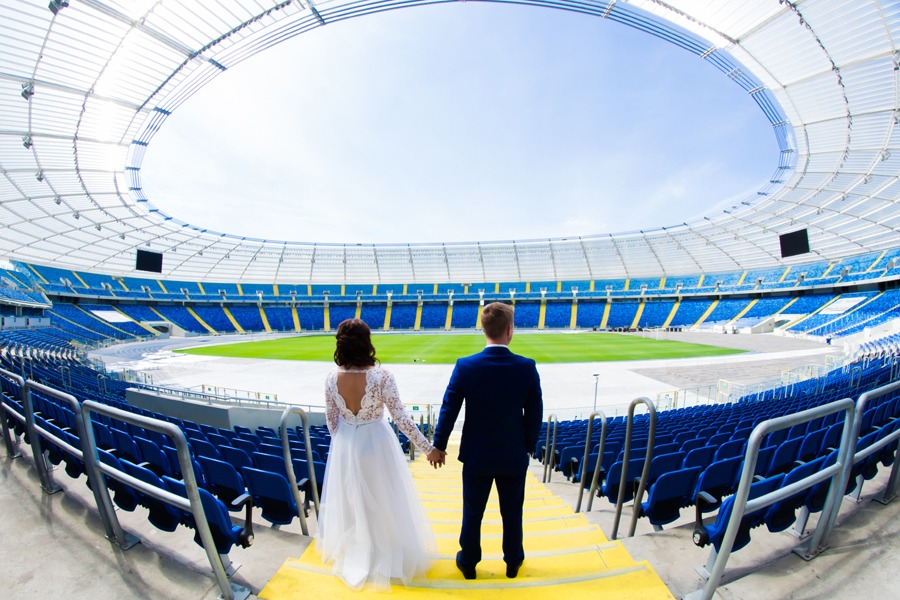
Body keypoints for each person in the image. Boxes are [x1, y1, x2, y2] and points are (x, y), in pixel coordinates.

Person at [315, 318, 445, 591]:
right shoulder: (381, 376)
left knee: (355, 500)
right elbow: (401, 418)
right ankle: (381, 550)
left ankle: (361, 548)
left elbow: (331, 421)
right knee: (385, 498)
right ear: (367, 342)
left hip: (346, 443)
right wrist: (429, 449)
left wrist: (345, 445)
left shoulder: (330, 378)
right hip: (375, 443)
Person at [430, 302, 543, 580]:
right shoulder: (526, 367)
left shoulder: (466, 366)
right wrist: (528, 447)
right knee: (512, 513)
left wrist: (439, 445)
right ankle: (513, 561)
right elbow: (535, 414)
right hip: (513, 455)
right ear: (510, 330)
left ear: (483, 329)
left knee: (472, 512)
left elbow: (449, 408)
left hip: (476, 455)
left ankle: (468, 562)